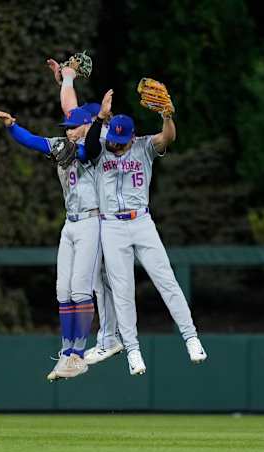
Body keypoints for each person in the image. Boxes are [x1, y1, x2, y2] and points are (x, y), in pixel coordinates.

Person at [82, 89, 208, 375]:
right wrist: (101, 118)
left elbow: (168, 137)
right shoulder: (101, 145)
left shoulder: (143, 145)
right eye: (112, 139)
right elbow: (89, 147)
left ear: (131, 136)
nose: (115, 145)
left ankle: (191, 338)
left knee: (167, 280)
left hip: (142, 222)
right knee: (123, 291)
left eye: (119, 141)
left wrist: (167, 116)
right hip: (112, 225)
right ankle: (133, 350)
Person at [0, 107, 100, 380]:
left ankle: (78, 353)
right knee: (62, 288)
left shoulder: (98, 146)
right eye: (67, 126)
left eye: (74, 126)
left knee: (79, 288)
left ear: (87, 125)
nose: (69, 130)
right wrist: (12, 125)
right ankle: (66, 352)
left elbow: (89, 151)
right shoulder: (63, 144)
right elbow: (33, 141)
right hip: (71, 222)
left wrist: (91, 129)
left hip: (91, 221)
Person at [46, 60, 124, 365]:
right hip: (96, 216)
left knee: (99, 282)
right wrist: (67, 78)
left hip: (110, 215)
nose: (74, 121)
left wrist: (69, 80)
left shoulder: (100, 139)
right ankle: (101, 339)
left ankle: (107, 339)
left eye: (86, 118)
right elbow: (71, 109)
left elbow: (85, 127)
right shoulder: (82, 131)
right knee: (95, 282)